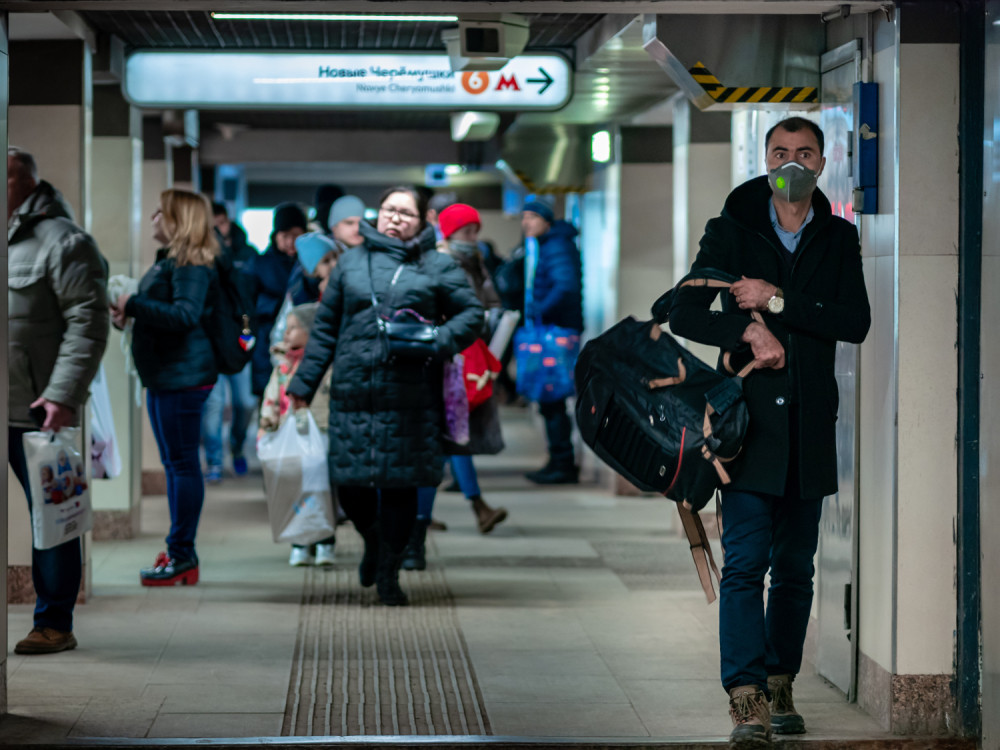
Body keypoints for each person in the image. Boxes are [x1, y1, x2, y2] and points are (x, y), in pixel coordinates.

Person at [668, 117, 871, 747]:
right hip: (748, 428)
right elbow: (678, 310)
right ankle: (745, 694)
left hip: (810, 427)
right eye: (779, 153)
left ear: (823, 162)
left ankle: (781, 679)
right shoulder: (732, 231)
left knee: (795, 568)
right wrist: (745, 330)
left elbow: (855, 321)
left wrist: (777, 303)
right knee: (746, 563)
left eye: (803, 153)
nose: (791, 163)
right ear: (764, 160)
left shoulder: (838, 237)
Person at [287, 185, 483, 606]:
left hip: (411, 396)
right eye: (388, 210)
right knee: (350, 485)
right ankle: (372, 542)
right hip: (353, 392)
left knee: (399, 488)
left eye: (405, 213)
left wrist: (438, 339)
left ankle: (390, 571)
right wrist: (303, 385)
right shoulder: (351, 264)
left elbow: (473, 314)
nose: (395, 217)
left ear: (422, 220)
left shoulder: (437, 265)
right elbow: (324, 329)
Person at [7, 147, 109, 654]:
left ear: (25, 183)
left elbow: (88, 325)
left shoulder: (64, 242)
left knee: (53, 516)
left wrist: (64, 396)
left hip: (37, 409)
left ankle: (54, 622)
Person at [111, 188, 220, 587]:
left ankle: (182, 554)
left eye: (161, 212)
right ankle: (179, 551)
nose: (154, 217)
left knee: (182, 465)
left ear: (178, 219)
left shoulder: (190, 264)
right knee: (178, 464)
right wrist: (129, 311)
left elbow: (185, 315)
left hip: (183, 377)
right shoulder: (172, 261)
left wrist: (133, 303)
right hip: (169, 376)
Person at [402, 204, 509, 571]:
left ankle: (426, 524)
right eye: (466, 231)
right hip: (445, 364)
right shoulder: (442, 263)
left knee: (450, 439)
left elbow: (488, 303)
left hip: (462, 362)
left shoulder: (474, 261)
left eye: (475, 231)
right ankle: (430, 523)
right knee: (446, 441)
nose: (472, 238)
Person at [259, 303, 337, 567]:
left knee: (323, 489)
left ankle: (326, 541)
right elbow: (272, 396)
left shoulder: (328, 365)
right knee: (296, 489)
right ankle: (299, 542)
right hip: (291, 436)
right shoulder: (282, 366)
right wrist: (267, 423)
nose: (287, 333)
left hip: (322, 431)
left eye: (293, 328)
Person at [520, 199, 584, 485]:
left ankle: (562, 463)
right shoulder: (549, 243)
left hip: (556, 331)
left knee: (552, 396)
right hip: (555, 329)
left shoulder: (556, 245)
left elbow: (566, 286)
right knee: (550, 398)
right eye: (524, 217)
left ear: (546, 220)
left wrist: (539, 310)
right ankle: (559, 460)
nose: (526, 223)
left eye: (532, 217)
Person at [202, 202, 257, 483]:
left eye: (220, 223)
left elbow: (253, 297)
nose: (216, 229)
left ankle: (236, 446)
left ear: (228, 222)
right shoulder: (201, 255)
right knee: (213, 406)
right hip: (211, 342)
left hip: (239, 341)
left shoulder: (247, 255)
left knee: (245, 402)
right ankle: (214, 460)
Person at [250, 202, 308, 397]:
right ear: (276, 236)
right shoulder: (260, 264)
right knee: (268, 396)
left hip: (301, 342)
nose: (291, 241)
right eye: (285, 236)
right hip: (265, 340)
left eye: (296, 235)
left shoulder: (309, 265)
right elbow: (247, 307)